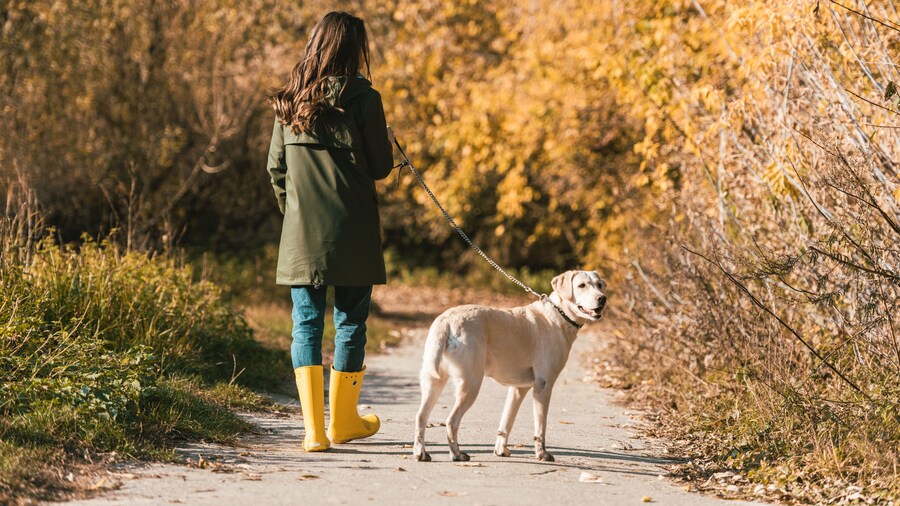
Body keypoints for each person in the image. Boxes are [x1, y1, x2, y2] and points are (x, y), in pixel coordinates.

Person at [266, 11, 395, 452]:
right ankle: (343, 422)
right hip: (354, 232)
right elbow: (380, 168)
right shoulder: (364, 98)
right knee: (351, 324)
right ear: (352, 48)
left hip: (302, 237)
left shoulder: (289, 101)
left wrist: (296, 214)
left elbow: (275, 170)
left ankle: (313, 432)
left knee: (304, 325)